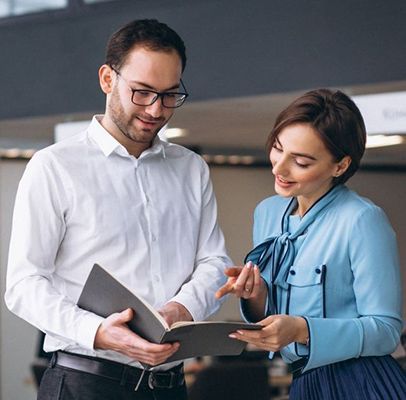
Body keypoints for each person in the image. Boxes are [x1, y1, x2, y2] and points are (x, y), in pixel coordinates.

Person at [5, 19, 230, 400]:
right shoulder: (54, 166)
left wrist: (182, 308)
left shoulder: (192, 168)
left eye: (170, 94)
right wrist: (96, 332)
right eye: (142, 92)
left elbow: (214, 261)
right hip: (85, 384)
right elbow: (24, 285)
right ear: (108, 79)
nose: (156, 110)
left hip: (170, 387)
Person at [216, 88, 406, 398]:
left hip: (361, 382)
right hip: (304, 382)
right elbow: (276, 310)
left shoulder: (362, 219)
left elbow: (386, 331)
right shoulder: (268, 212)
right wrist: (257, 294)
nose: (279, 168)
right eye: (277, 148)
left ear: (340, 166)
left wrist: (302, 329)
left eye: (301, 162)